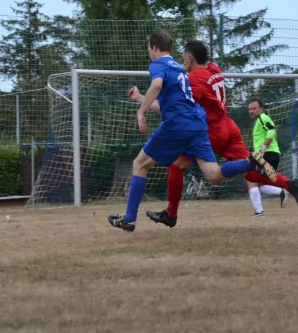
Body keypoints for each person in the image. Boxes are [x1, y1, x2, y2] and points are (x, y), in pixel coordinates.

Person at [107, 30, 276, 232]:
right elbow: (167, 104)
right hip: (198, 124)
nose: (149, 53)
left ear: (154, 47)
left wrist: (140, 112)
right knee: (213, 174)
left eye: (149, 49)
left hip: (177, 126)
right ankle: (249, 162)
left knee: (139, 164)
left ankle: (129, 219)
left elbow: (157, 84)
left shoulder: (157, 65)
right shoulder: (180, 70)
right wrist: (139, 98)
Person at [130, 40, 298, 225]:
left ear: (190, 58)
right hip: (229, 126)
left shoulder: (194, 81)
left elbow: (172, 109)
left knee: (177, 166)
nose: (183, 62)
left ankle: (171, 214)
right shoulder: (214, 69)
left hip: (210, 131)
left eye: (184, 58)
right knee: (249, 171)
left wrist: (141, 98)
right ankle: (289, 185)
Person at [247, 99, 298, 215]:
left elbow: (271, 131)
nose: (251, 111)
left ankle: (259, 212)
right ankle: (281, 192)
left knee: (251, 180)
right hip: (273, 154)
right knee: (261, 184)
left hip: (267, 154)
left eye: (254, 108)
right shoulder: (260, 120)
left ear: (261, 108)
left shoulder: (262, 118)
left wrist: (262, 150)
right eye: (249, 109)